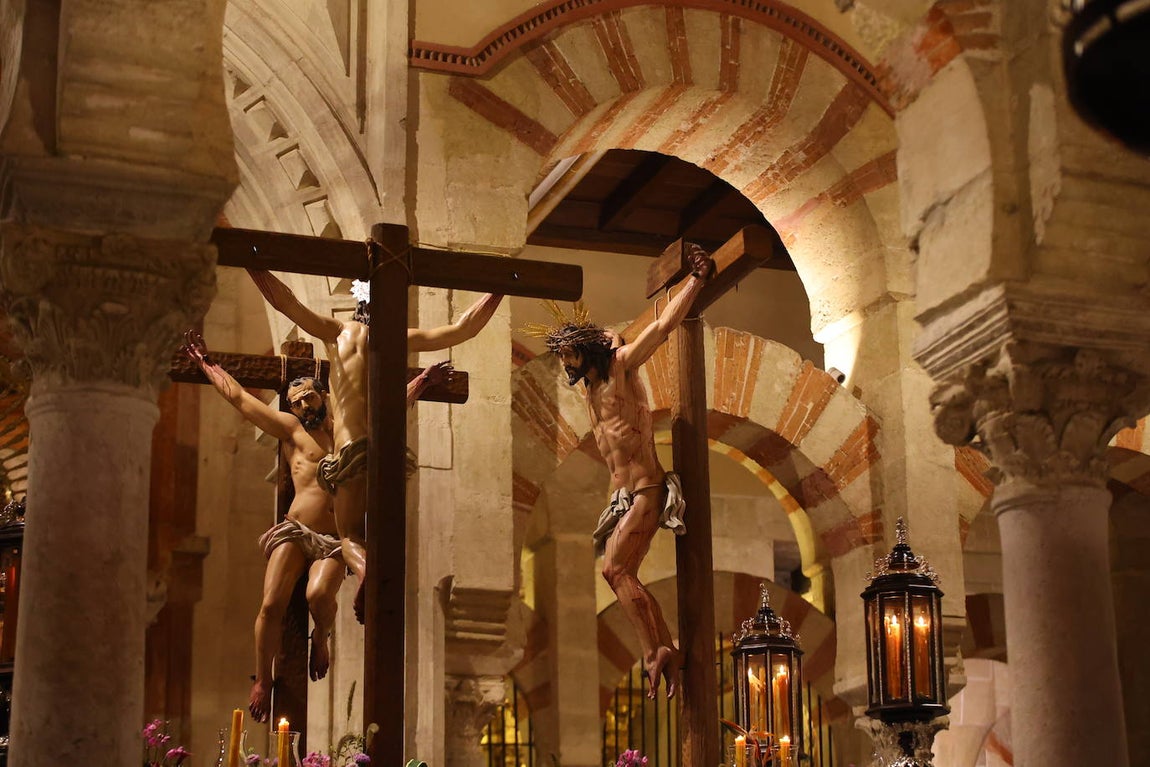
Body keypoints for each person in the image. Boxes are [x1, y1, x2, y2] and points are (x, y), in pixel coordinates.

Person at [247, 269, 503, 622]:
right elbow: (463, 329)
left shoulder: (338, 332)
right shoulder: (396, 336)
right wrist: (500, 288)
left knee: (349, 534)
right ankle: (372, 580)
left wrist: (253, 266)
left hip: (351, 450)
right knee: (379, 529)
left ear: (357, 307)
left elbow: (287, 303)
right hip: (389, 456)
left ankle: (366, 572)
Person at [537, 244, 714, 699]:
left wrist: (695, 279)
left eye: (570, 358)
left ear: (588, 352)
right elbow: (608, 336)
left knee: (615, 571)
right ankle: (660, 648)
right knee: (618, 573)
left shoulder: (620, 369)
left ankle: (657, 650)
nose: (567, 368)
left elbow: (661, 326)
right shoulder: (591, 388)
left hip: (647, 489)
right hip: (621, 498)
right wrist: (607, 334)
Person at [182, 330, 343, 723]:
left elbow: (380, 395)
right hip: (295, 529)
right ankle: (264, 679)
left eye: (310, 395)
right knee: (271, 603)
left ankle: (320, 636)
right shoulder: (291, 430)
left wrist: (420, 382)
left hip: (334, 538)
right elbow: (240, 399)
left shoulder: (345, 432)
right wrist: (207, 366)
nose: (305, 403)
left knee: (319, 595)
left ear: (322, 394)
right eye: (297, 400)